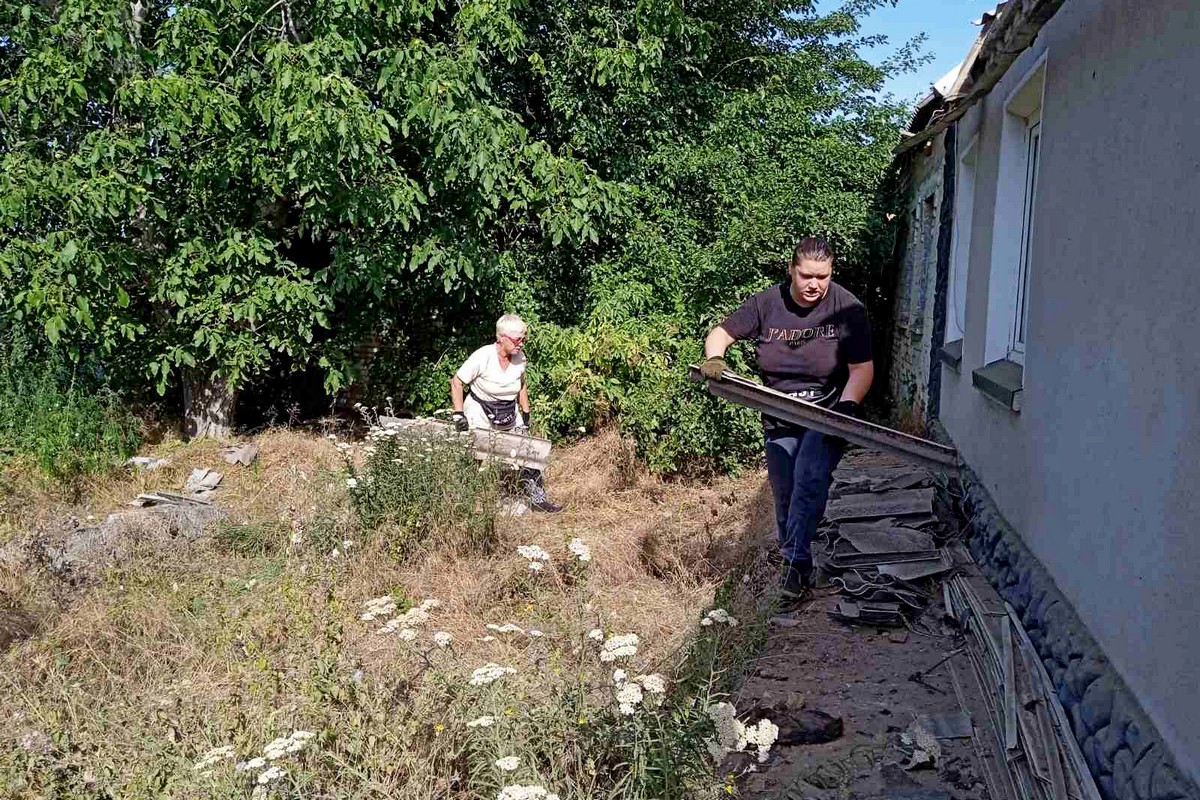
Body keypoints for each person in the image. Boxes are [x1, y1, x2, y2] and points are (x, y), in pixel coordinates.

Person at [700, 236, 874, 599]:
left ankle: (796, 566)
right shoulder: (768, 303)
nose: (815, 284)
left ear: (831, 273)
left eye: (823, 277)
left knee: (809, 475)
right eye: (807, 276)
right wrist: (715, 358)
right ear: (791, 270)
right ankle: (795, 552)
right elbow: (720, 333)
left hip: (827, 411)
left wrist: (846, 408)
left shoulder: (848, 308)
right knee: (785, 492)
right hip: (778, 412)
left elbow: (862, 369)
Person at [450, 314, 563, 513]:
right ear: (502, 338)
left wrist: (525, 412)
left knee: (529, 453)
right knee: (473, 457)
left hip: (509, 411)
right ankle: (462, 502)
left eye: (524, 339)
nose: (522, 343)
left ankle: (538, 499)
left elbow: (522, 384)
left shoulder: (520, 358)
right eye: (518, 339)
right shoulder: (482, 356)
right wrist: (458, 414)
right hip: (480, 411)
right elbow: (457, 382)